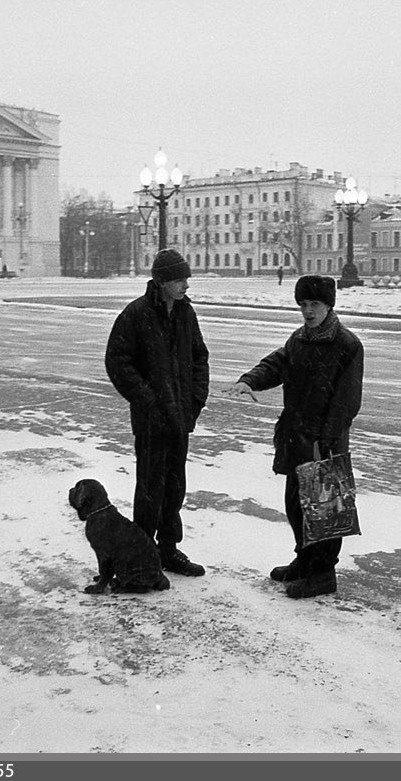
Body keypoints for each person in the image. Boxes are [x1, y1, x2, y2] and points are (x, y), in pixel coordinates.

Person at [224, 274, 364, 599]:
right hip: (296, 436)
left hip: (322, 442)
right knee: (296, 504)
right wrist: (249, 381)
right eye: (303, 304)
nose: (308, 311)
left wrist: (324, 442)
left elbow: (346, 402)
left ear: (329, 305)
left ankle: (323, 573)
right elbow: (277, 365)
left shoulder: (347, 345)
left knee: (326, 509)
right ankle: (304, 559)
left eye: (314, 304)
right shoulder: (299, 339)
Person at [105, 249, 210, 578]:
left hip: (180, 417)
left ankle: (168, 549)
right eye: (180, 279)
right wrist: (147, 400)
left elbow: (199, 358)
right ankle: (142, 552)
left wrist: (194, 401)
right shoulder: (136, 314)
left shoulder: (185, 313)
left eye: (186, 279)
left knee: (175, 485)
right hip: (152, 420)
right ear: (162, 281)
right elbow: (118, 362)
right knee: (151, 488)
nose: (185, 286)